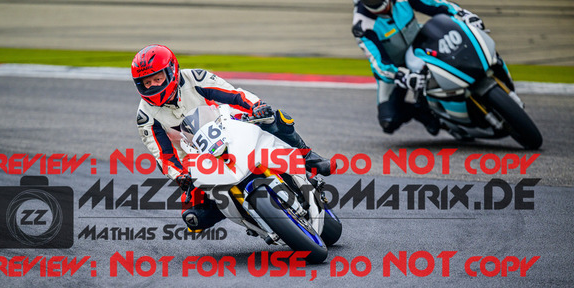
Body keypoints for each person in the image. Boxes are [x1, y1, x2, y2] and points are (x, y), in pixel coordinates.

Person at [131, 44, 333, 231]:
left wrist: (257, 106)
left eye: (157, 79)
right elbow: (163, 156)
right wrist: (180, 176)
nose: (153, 86)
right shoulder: (145, 116)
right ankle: (248, 215)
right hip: (194, 157)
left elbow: (233, 94)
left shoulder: (194, 78)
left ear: (171, 72)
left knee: (274, 118)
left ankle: (308, 157)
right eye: (146, 83)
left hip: (226, 127)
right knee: (194, 219)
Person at [351, 0, 484, 136]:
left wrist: (462, 14)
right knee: (388, 120)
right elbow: (379, 63)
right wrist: (400, 75)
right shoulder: (361, 26)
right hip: (395, 68)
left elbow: (435, 4)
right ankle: (426, 114)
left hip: (421, 47)